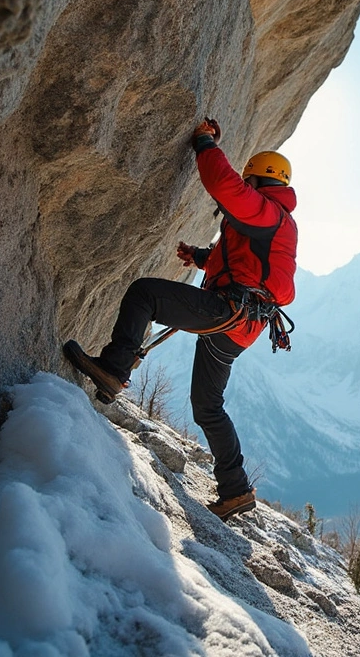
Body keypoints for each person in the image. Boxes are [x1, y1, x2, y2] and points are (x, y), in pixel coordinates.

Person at [63, 118, 297, 521]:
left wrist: (206, 143)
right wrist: (203, 257)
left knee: (145, 293)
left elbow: (225, 186)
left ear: (259, 181)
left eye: (250, 180)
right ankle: (236, 489)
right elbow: (248, 264)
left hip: (229, 311)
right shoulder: (275, 223)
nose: (246, 186)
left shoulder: (267, 212)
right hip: (242, 326)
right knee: (208, 406)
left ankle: (113, 370)